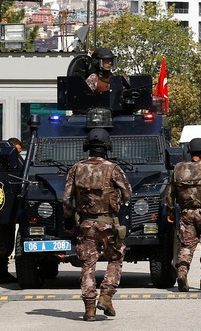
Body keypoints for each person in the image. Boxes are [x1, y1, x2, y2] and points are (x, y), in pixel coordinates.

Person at [63, 128, 132, 321]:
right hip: (109, 224)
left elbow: (66, 199)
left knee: (87, 264)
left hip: (86, 224)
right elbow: (128, 193)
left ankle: (89, 309)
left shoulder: (76, 169)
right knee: (115, 259)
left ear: (87, 147)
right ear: (107, 147)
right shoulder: (113, 169)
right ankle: (106, 296)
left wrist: (69, 220)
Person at [167, 137, 201, 291]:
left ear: (190, 151)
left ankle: (182, 272)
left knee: (186, 245)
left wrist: (171, 211)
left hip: (186, 213)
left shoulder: (178, 168)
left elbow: (170, 192)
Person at [0, 137, 24, 284]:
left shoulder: (11, 164)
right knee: (4, 242)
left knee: (7, 241)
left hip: (8, 210)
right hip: (0, 210)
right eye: (16, 152)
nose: (18, 155)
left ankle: (0, 271)